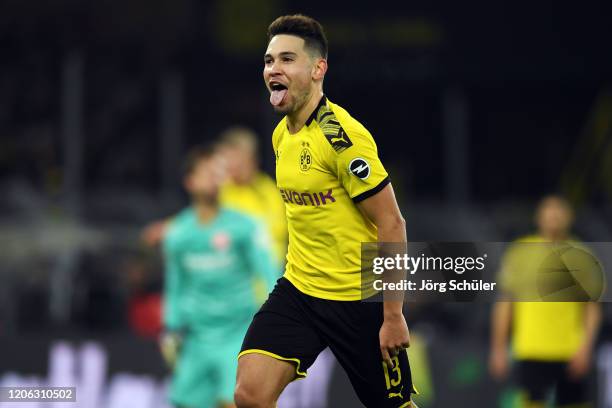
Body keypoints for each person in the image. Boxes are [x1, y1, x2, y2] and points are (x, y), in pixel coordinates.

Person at [234, 14, 416, 408]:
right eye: (268, 61)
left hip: (359, 299)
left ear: (318, 69)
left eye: (286, 59)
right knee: (250, 395)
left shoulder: (341, 138)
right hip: (300, 290)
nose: (273, 70)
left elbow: (391, 221)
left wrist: (392, 315)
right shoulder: (282, 134)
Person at [161, 145, 278, 408]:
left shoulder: (245, 226)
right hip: (195, 338)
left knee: (235, 401)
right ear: (190, 182)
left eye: (217, 172)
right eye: (207, 173)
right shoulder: (178, 233)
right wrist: (170, 328)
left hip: (238, 333)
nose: (215, 178)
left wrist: (276, 317)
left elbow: (269, 272)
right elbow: (175, 285)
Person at [489, 195, 602, 407]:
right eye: (548, 210)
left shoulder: (582, 255)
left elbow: (591, 307)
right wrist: (499, 348)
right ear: (538, 216)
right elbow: (505, 303)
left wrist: (586, 347)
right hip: (531, 347)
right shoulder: (520, 252)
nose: (554, 216)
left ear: (570, 217)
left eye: (559, 210)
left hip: (569, 349)